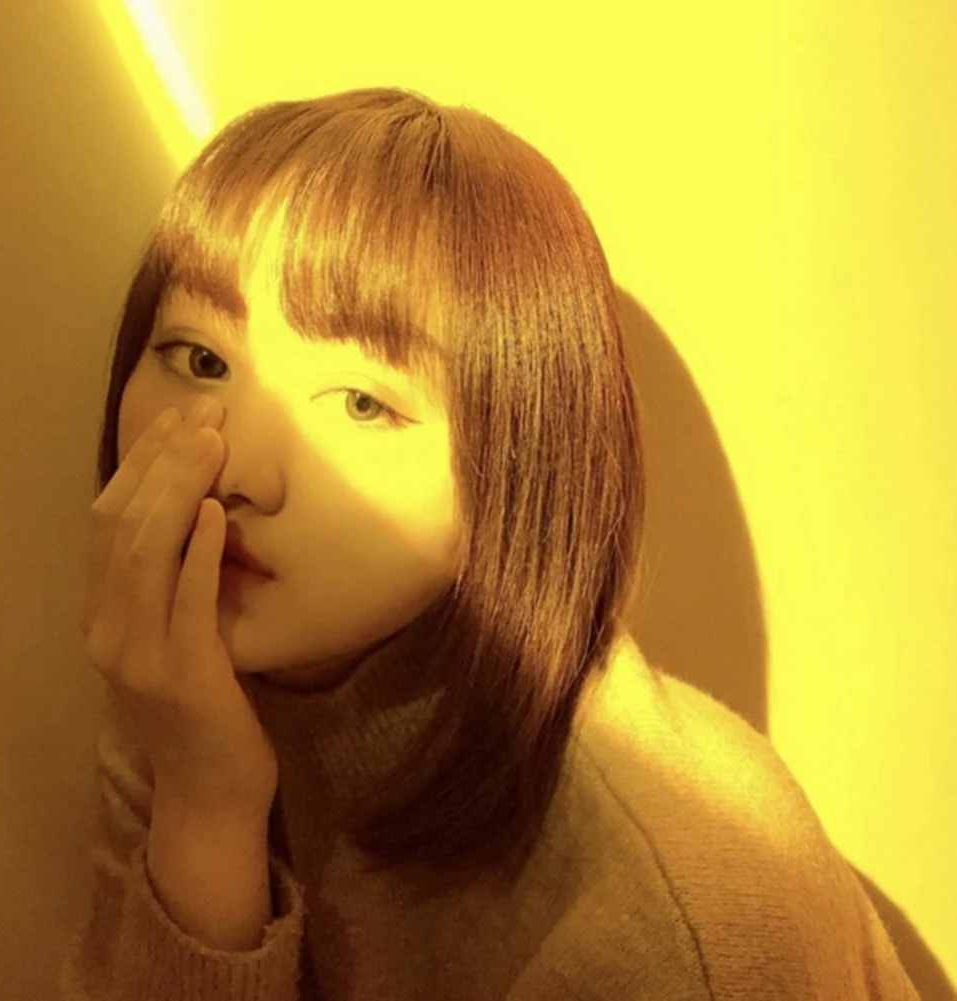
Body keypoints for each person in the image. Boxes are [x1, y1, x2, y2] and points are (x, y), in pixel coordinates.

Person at [60, 86, 920, 999]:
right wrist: (204, 805)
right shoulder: (183, 673)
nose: (235, 468)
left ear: (516, 465)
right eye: (201, 359)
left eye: (362, 402)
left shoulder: (682, 919)